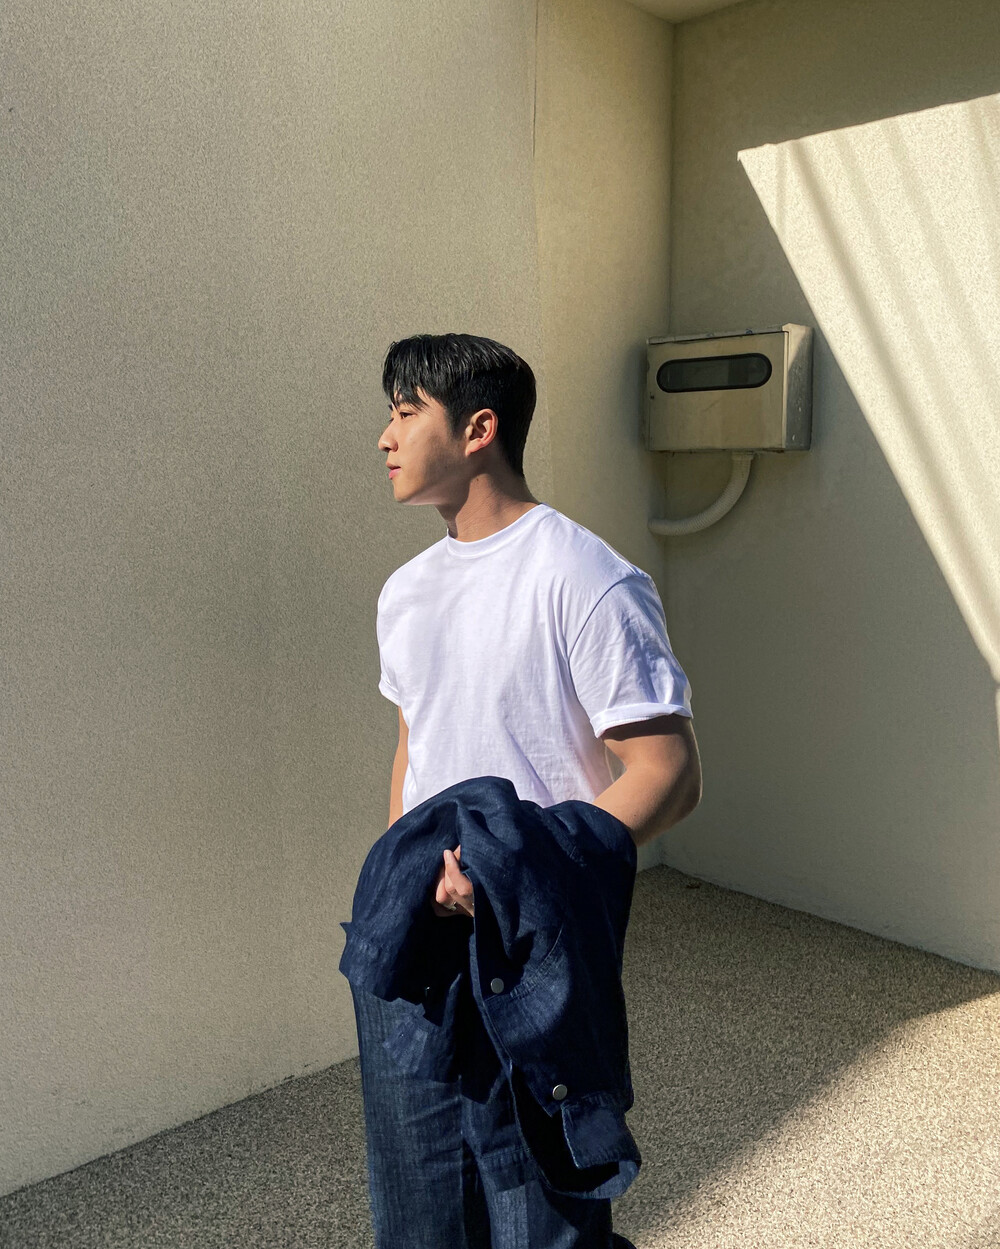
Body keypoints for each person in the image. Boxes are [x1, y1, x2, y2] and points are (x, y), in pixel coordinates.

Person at [354, 331, 702, 1248]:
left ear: (478, 429)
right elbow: (414, 746)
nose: (385, 437)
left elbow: (668, 772)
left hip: (533, 941)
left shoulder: (584, 577)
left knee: (542, 1211)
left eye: (406, 413)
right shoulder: (404, 592)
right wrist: (412, 870)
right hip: (418, 932)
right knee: (420, 1202)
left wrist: (512, 872)